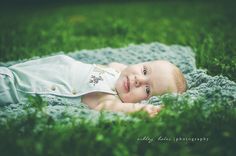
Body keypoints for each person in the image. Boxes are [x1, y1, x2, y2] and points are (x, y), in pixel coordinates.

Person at [0, 54, 187, 117]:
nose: (140, 79)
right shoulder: (116, 72)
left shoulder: (107, 97)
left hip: (15, 86)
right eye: (145, 71)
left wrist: (140, 110)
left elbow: (107, 108)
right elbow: (119, 66)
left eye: (147, 90)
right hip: (28, 70)